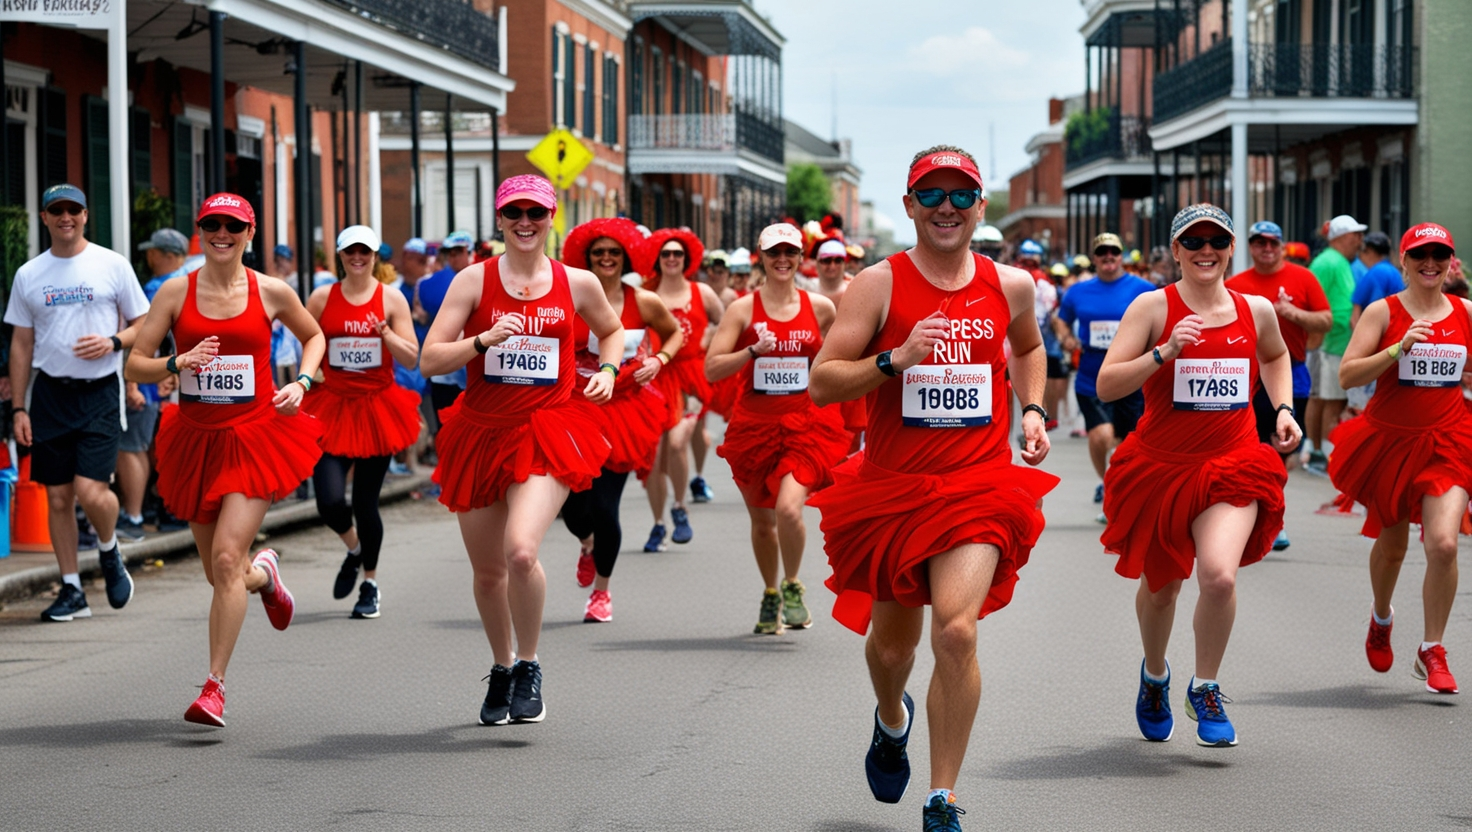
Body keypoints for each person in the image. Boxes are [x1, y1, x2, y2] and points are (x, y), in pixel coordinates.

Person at [809, 146, 1057, 830]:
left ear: (981, 207)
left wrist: (1031, 408)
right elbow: (824, 380)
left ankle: (941, 797)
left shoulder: (1008, 285)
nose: (946, 209)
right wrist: (894, 360)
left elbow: (1029, 348)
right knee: (893, 649)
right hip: (893, 490)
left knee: (954, 631)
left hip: (978, 486)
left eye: (961, 196)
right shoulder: (877, 285)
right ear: (910, 204)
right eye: (933, 195)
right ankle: (892, 719)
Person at [420, 175, 623, 726]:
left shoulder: (577, 282)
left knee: (520, 552)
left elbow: (611, 330)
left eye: (536, 212)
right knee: (488, 574)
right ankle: (502, 666)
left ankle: (530, 664)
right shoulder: (472, 281)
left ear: (551, 217)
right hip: (480, 432)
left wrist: (607, 369)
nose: (526, 222)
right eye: (515, 213)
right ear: (501, 220)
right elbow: (431, 361)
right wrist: (482, 341)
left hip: (547, 428)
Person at [1096, 203, 1299, 748]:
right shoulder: (1152, 307)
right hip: (1161, 469)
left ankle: (1204, 686)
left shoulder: (1254, 310)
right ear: (1177, 251)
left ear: (1230, 248)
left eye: (1216, 240)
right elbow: (1108, 385)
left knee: (1219, 576)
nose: (1206, 250)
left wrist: (1282, 409)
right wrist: (1163, 353)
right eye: (1194, 241)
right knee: (1161, 592)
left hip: (1232, 465)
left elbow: (1276, 358)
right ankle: (1156, 675)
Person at [126, 192, 326, 726]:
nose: (222, 232)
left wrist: (303, 381)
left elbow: (314, 336)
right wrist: (177, 360)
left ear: (249, 234)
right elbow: (135, 364)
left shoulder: (271, 290)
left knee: (222, 560)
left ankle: (214, 687)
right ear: (200, 231)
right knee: (225, 574)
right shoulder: (175, 291)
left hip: (255, 435)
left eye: (233, 225)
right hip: (195, 438)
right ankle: (265, 576)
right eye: (212, 224)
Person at [1330, 222, 1469, 695]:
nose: (1430, 263)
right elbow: (1348, 375)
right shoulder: (1382, 311)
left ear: (1451, 262)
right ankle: (1381, 617)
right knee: (1393, 547)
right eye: (1420, 255)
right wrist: (1397, 347)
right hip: (1390, 441)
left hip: (1449, 440)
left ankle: (1432, 648)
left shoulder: (1466, 312)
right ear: (1404, 262)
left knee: (1444, 543)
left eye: (1440, 255)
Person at [5, 184, 150, 622]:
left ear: (86, 216)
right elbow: (20, 344)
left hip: (100, 390)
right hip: (50, 393)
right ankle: (72, 590)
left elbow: (145, 323)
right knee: (59, 498)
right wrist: (18, 408)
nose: (65, 217)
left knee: (92, 492)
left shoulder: (111, 264)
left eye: (73, 210)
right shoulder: (30, 274)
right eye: (56, 210)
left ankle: (109, 550)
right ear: (45, 217)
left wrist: (113, 341)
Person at [707, 223, 849, 634]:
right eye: (774, 253)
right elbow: (712, 367)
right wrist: (752, 351)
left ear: (801, 258)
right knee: (763, 523)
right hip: (755, 427)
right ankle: (770, 592)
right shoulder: (742, 310)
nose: (782, 260)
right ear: (762, 257)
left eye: (790, 253)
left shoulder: (820, 308)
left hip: (806, 424)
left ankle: (792, 585)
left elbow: (838, 357)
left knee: (789, 507)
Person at [559, 217, 683, 622]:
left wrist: (659, 360)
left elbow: (675, 332)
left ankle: (601, 592)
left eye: (614, 252)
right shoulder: (570, 296)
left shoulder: (642, 300)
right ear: (587, 258)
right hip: (575, 407)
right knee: (573, 507)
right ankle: (587, 543)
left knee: (605, 503)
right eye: (599, 253)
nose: (607, 259)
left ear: (625, 257)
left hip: (626, 409)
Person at [302, 225, 422, 619]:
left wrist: (386, 334)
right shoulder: (322, 297)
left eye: (365, 252)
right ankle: (353, 549)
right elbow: (306, 340)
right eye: (350, 251)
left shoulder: (391, 298)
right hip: (332, 406)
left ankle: (369, 582)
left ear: (375, 257)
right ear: (340, 255)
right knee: (330, 500)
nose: (358, 257)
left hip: (376, 409)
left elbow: (411, 357)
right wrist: (308, 375)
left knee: (367, 502)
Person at [1225, 220, 1332, 549]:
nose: (1266, 249)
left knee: (1285, 447)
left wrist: (1291, 313)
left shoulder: (1303, 278)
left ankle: (1271, 512)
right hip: (1248, 376)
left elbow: (1326, 320)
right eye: (1259, 243)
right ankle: (1265, 519)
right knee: (1252, 448)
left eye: (1273, 243)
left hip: (1292, 371)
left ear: (1282, 246)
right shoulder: (1236, 283)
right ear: (1250, 247)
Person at [1053, 232, 1157, 519]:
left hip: (1131, 377)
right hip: (1091, 375)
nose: (1108, 256)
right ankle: (1107, 481)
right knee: (1101, 434)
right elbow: (1061, 321)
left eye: (1114, 251)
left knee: (1125, 441)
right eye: (1102, 252)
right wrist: (1065, 338)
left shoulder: (1144, 289)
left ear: (1121, 255)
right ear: (1095, 258)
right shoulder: (1078, 291)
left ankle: (1116, 485)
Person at [641, 228, 723, 551]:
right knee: (652, 455)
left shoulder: (702, 292)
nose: (672, 259)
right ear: (657, 260)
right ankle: (658, 524)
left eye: (677, 254)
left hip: (690, 378)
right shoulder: (645, 292)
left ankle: (679, 506)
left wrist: (709, 340)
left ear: (685, 259)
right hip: (654, 375)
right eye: (665, 254)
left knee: (677, 443)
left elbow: (726, 320)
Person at [1304, 214, 1366, 474]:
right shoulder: (1327, 262)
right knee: (1324, 398)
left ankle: (1324, 452)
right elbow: (1309, 297)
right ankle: (1318, 452)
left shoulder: (1340, 262)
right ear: (1342, 237)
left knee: (1332, 399)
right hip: (1327, 344)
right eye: (1355, 236)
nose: (1359, 241)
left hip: (1338, 344)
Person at [1350, 232, 1405, 327]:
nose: (1360, 256)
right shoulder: (1394, 272)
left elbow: (1356, 315)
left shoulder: (1376, 272)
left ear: (1370, 251)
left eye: (1363, 251)